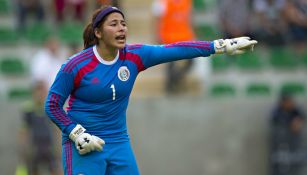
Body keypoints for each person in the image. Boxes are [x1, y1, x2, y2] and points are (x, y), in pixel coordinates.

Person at [44, 5, 257, 175]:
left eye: (124, 24)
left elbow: (176, 49)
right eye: (114, 24)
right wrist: (77, 133)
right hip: (83, 144)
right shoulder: (76, 65)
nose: (121, 28)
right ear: (98, 32)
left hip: (118, 142)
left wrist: (219, 46)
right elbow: (52, 105)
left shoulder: (134, 56)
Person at [152, 0, 196, 94]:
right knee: (170, 63)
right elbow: (157, 19)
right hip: (169, 37)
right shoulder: (162, 2)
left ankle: (175, 80)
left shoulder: (187, 2)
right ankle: (170, 86)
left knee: (191, 61)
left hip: (185, 37)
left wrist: (192, 34)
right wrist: (157, 34)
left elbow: (189, 18)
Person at [20, 81, 58, 175]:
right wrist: (23, 147)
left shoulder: (50, 108)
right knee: (33, 170)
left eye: (42, 91)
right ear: (33, 93)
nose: (40, 94)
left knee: (55, 169)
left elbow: (56, 129)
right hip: (34, 147)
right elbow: (24, 130)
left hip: (49, 146)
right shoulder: (28, 109)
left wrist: (58, 146)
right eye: (38, 91)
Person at [270, 92, 305, 175]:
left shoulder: (296, 111)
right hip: (280, 151)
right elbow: (277, 121)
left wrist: (298, 121)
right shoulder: (276, 113)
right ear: (283, 102)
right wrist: (290, 124)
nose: (291, 103)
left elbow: (301, 117)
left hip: (294, 151)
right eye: (288, 101)